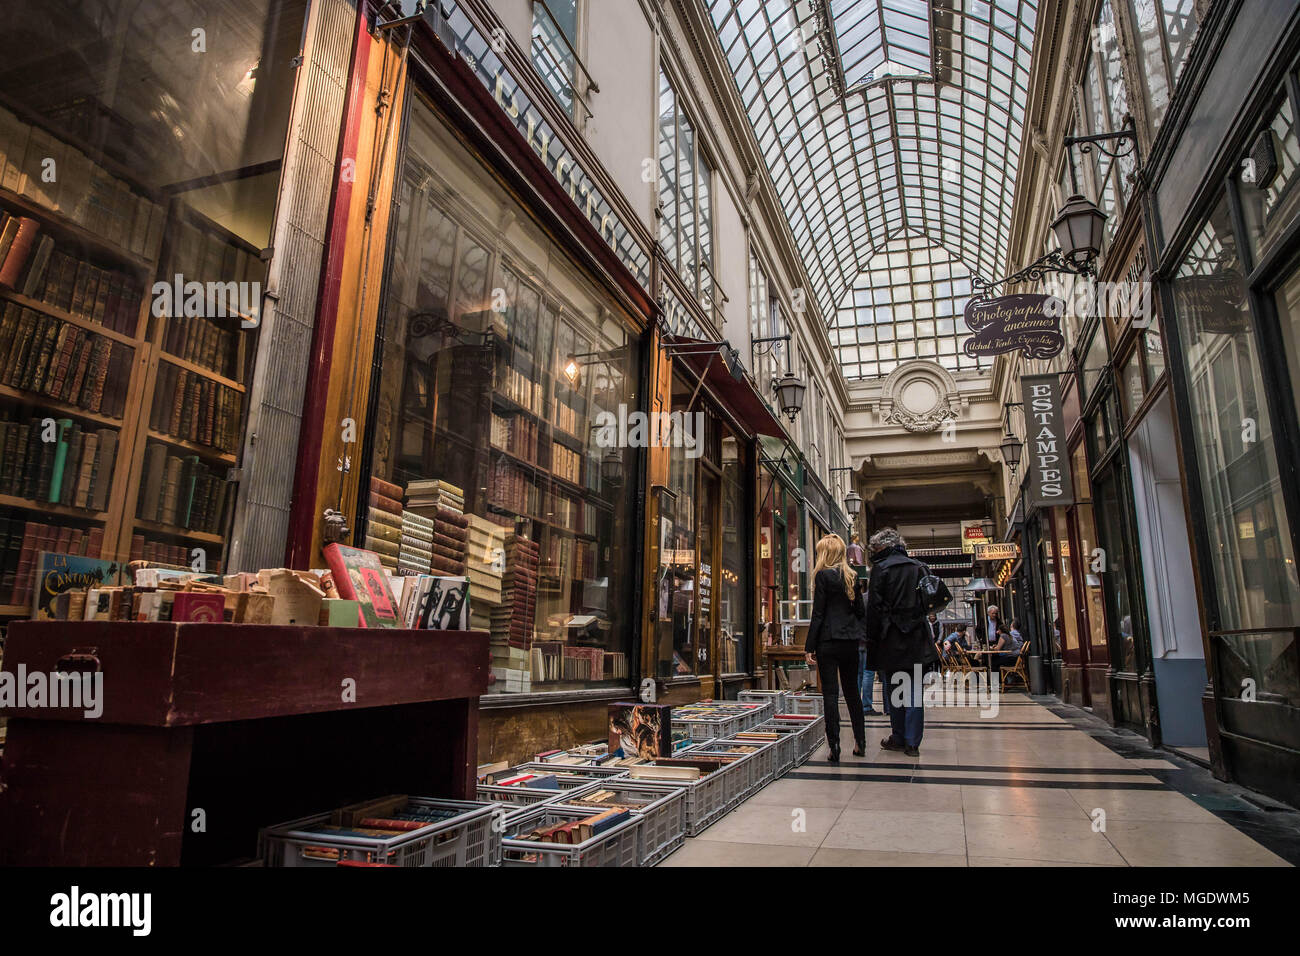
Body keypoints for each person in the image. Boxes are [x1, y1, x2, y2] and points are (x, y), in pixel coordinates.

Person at [863, 527, 938, 757]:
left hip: (891, 639)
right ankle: (913, 742)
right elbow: (931, 604)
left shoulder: (881, 569)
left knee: (895, 689)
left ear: (884, 547)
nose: (874, 552)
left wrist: (872, 638)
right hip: (916, 638)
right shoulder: (919, 567)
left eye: (875, 548)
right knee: (914, 691)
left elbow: (874, 608)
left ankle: (898, 736)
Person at [804, 533, 867, 762]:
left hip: (828, 642)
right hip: (850, 642)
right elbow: (861, 613)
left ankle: (835, 747)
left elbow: (818, 614)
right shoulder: (852, 577)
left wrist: (809, 646)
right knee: (852, 693)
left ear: (825, 553)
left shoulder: (823, 576)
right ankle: (860, 743)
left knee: (830, 694)